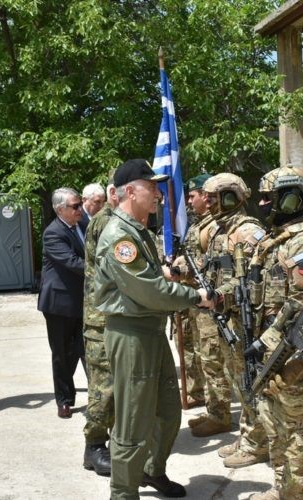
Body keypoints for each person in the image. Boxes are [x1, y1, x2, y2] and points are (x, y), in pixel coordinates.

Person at [94, 158, 213, 499]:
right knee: (133, 419)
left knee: (167, 410)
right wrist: (196, 297)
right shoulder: (120, 236)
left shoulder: (137, 230)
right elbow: (149, 291)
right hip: (131, 333)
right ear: (130, 191)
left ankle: (151, 470)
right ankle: (123, 492)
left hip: (150, 329)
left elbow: (147, 279)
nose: (159, 194)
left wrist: (164, 274)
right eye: (151, 187)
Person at [249, 166, 303, 500]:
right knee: (272, 419)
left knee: (293, 422)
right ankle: (282, 484)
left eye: (269, 197)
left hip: (291, 347)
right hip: (269, 343)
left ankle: (292, 491)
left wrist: (270, 339)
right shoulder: (277, 239)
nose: (263, 203)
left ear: (291, 198)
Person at [200, 173, 269, 469]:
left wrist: (219, 295)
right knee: (236, 379)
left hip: (245, 321)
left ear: (230, 197)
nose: (208, 204)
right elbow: (213, 268)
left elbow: (253, 281)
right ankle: (247, 435)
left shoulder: (248, 232)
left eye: (213, 198)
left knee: (249, 381)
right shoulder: (220, 230)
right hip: (227, 318)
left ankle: (258, 443)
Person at [176, 173, 235, 438]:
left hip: (211, 301)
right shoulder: (199, 224)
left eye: (193, 196)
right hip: (197, 300)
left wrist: (181, 270)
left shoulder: (214, 227)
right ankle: (214, 410)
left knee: (213, 359)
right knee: (203, 356)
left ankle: (220, 414)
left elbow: (212, 264)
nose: (190, 201)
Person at [37, 188, 87, 419]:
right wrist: (105, 269)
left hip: (82, 299)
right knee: (62, 353)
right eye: (75, 206)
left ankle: (98, 396)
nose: (80, 209)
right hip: (59, 303)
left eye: (80, 204)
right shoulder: (53, 233)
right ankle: (64, 400)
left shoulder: (83, 224)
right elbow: (72, 262)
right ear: (60, 210)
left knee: (84, 349)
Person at [81, 177, 118, 476]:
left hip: (111, 317)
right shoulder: (106, 222)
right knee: (103, 389)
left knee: (114, 387)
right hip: (101, 320)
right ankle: (94, 447)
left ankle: (112, 443)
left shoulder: (115, 219)